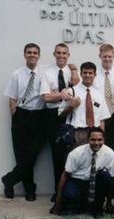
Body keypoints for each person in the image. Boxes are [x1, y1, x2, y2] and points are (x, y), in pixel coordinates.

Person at [1, 43, 46, 201]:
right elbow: (12, 98)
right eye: (29, 52)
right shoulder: (17, 74)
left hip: (40, 117)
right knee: (21, 155)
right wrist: (16, 115)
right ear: (25, 55)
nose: (32, 55)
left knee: (31, 155)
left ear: (39, 55)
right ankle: (29, 190)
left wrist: (74, 70)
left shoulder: (45, 72)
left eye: (35, 53)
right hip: (22, 116)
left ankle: (9, 179)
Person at [40, 43, 80, 202]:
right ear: (54, 54)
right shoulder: (47, 73)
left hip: (71, 115)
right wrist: (61, 95)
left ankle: (71, 192)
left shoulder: (73, 73)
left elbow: (79, 92)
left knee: (72, 154)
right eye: (58, 53)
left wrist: (75, 71)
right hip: (53, 117)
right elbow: (45, 97)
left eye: (64, 53)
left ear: (68, 55)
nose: (61, 56)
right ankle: (58, 192)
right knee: (56, 156)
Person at [52, 127, 114, 217]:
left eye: (99, 140)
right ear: (88, 140)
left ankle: (97, 209)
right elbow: (65, 175)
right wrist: (58, 201)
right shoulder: (77, 153)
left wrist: (109, 203)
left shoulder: (110, 154)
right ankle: (79, 205)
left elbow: (112, 179)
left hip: (96, 184)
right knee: (70, 196)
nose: (96, 143)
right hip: (78, 182)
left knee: (105, 176)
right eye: (93, 140)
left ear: (104, 140)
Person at [59, 62, 110, 147]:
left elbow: (102, 119)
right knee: (77, 158)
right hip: (78, 133)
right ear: (81, 74)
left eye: (90, 73)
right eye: (85, 72)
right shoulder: (71, 92)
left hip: (95, 134)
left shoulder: (99, 94)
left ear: (95, 74)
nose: (87, 75)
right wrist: (71, 106)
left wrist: (101, 137)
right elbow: (61, 114)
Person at [95, 43, 114, 162]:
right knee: (99, 146)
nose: (107, 59)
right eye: (104, 56)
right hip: (100, 116)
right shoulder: (93, 73)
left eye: (109, 56)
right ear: (99, 56)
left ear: (113, 56)